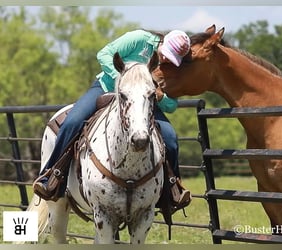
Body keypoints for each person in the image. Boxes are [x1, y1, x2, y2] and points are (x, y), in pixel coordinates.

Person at [33, 29, 192, 209]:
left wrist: (161, 97)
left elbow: (171, 106)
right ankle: (52, 177)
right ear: (161, 43)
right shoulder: (139, 39)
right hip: (106, 88)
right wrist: (123, 80)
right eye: (165, 55)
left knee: (170, 137)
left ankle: (172, 188)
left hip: (143, 102)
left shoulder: (169, 68)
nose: (165, 60)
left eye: (171, 60)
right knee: (72, 122)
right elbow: (104, 53)